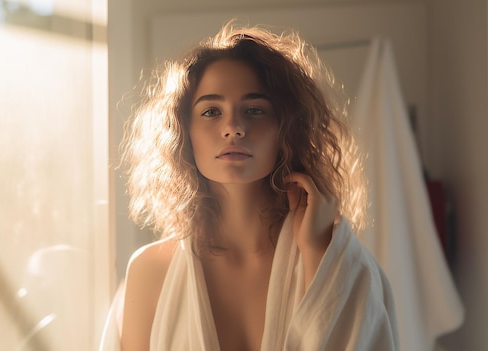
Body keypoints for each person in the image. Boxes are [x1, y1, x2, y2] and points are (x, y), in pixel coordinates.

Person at [100, 22, 399, 351]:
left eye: (254, 110)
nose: (233, 128)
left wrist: (318, 255)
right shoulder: (151, 271)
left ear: (287, 127)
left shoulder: (338, 259)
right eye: (211, 111)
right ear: (185, 132)